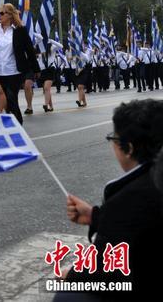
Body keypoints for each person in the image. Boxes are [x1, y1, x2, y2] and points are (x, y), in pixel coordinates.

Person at [61, 99, 163, 298]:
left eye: (114, 139)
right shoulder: (152, 182)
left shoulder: (131, 197)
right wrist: (96, 217)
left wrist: (70, 277)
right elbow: (142, 225)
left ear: (129, 148)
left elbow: (105, 272)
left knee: (68, 294)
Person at [0, 3, 38, 125]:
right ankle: (12, 123)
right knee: (9, 100)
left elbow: (29, 50)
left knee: (10, 96)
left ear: (10, 15)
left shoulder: (20, 31)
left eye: (2, 13)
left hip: (15, 71)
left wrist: (36, 69)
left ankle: (18, 125)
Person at [34, 33, 63, 112]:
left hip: (50, 69)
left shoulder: (51, 47)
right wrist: (37, 42)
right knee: (47, 89)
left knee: (46, 88)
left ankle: (46, 105)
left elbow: (61, 46)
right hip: (43, 70)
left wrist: (52, 41)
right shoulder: (38, 48)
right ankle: (51, 106)